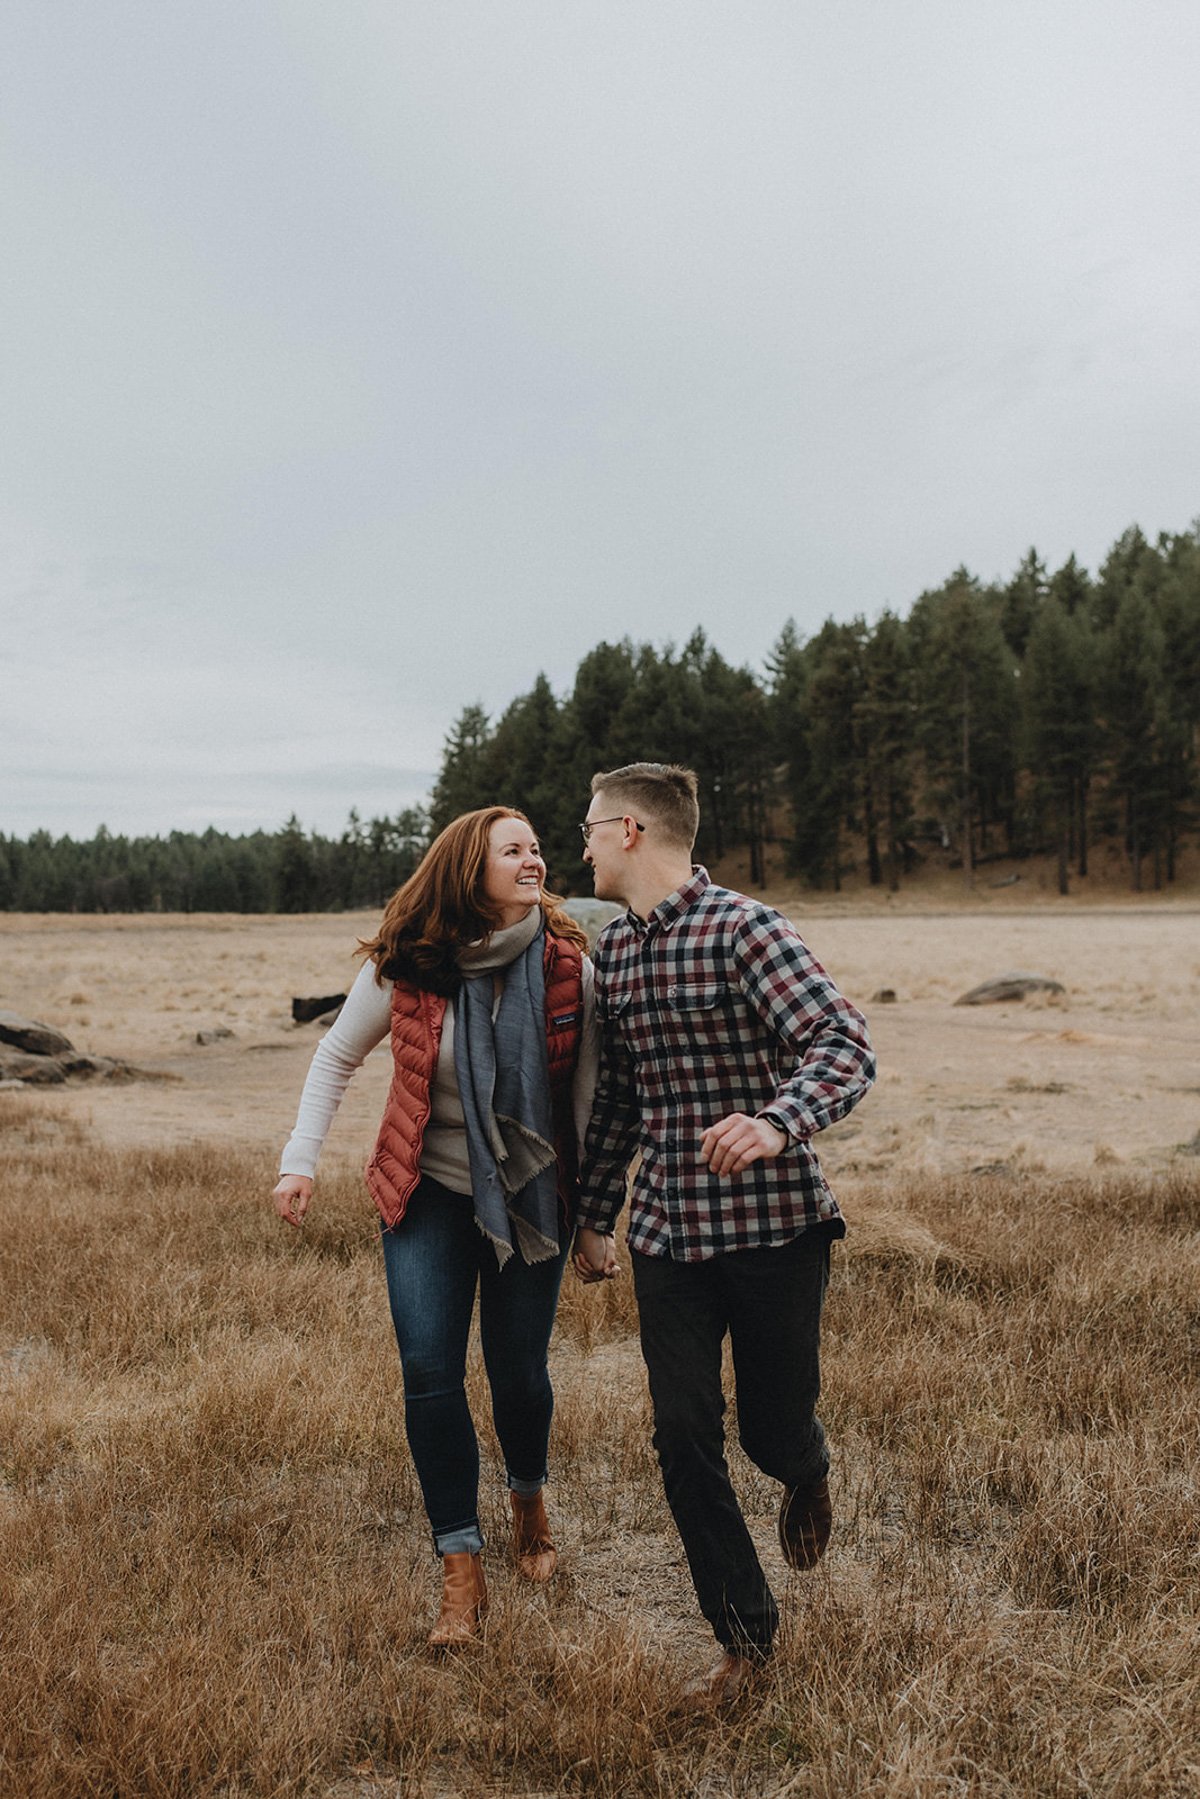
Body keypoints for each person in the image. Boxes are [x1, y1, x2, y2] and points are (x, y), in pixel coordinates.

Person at [572, 763, 875, 1706]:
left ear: (631, 830)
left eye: (588, 826)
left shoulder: (747, 928)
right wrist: (594, 1212)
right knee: (682, 1433)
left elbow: (844, 1043)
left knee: (770, 1425)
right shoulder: (614, 954)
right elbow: (620, 1097)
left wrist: (778, 1120)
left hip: (776, 1226)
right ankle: (745, 1640)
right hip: (669, 1234)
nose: (577, 841)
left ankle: (805, 1463)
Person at [273, 807, 598, 1649]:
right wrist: (298, 1159)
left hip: (530, 1198)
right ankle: (461, 1571)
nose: (535, 859)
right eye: (514, 850)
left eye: (537, 846)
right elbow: (336, 1056)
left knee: (520, 1373)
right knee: (428, 1371)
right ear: (469, 869)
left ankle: (529, 1498)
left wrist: (597, 1215)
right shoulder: (410, 964)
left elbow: (589, 1101)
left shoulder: (569, 965)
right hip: (425, 1189)